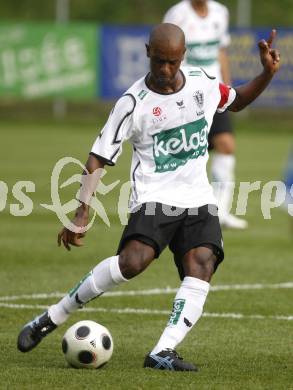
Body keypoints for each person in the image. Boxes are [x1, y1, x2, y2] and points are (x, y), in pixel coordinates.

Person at [17, 23, 280, 371]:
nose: (165, 70)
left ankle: (162, 351)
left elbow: (237, 100)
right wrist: (81, 212)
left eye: (172, 62)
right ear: (147, 54)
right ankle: (52, 316)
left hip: (198, 199)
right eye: (159, 61)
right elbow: (98, 157)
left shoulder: (202, 83)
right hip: (154, 197)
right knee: (133, 262)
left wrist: (266, 73)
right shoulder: (133, 102)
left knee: (202, 264)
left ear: (182, 57)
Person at [163, 0, 247, 229]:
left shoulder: (220, 12)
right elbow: (165, 55)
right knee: (184, 153)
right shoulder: (177, 14)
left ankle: (220, 211)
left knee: (226, 145)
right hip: (187, 93)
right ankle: (169, 207)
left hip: (214, 91)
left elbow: (221, 52)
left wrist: (227, 88)